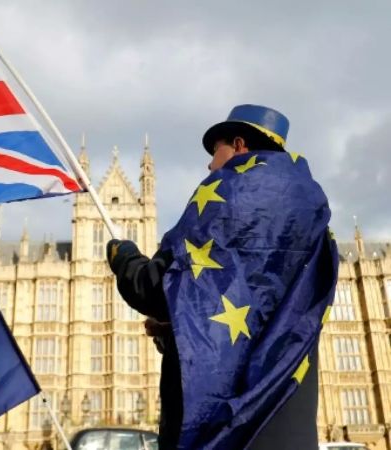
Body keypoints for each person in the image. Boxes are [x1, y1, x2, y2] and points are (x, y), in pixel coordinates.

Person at [106, 104, 335, 449]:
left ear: (239, 146)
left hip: (233, 431)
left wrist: (125, 259)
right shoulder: (310, 210)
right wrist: (181, 331)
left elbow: (158, 288)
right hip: (285, 422)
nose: (210, 165)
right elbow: (257, 315)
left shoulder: (231, 197)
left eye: (216, 152)